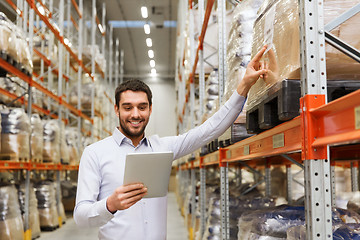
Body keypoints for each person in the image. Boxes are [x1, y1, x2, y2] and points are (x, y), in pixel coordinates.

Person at [74, 45, 269, 239]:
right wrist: (110, 205)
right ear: (117, 110)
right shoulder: (95, 153)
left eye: (142, 107)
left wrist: (244, 86)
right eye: (128, 107)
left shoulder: (162, 148)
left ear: (150, 109)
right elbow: (81, 217)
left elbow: (210, 130)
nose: (135, 114)